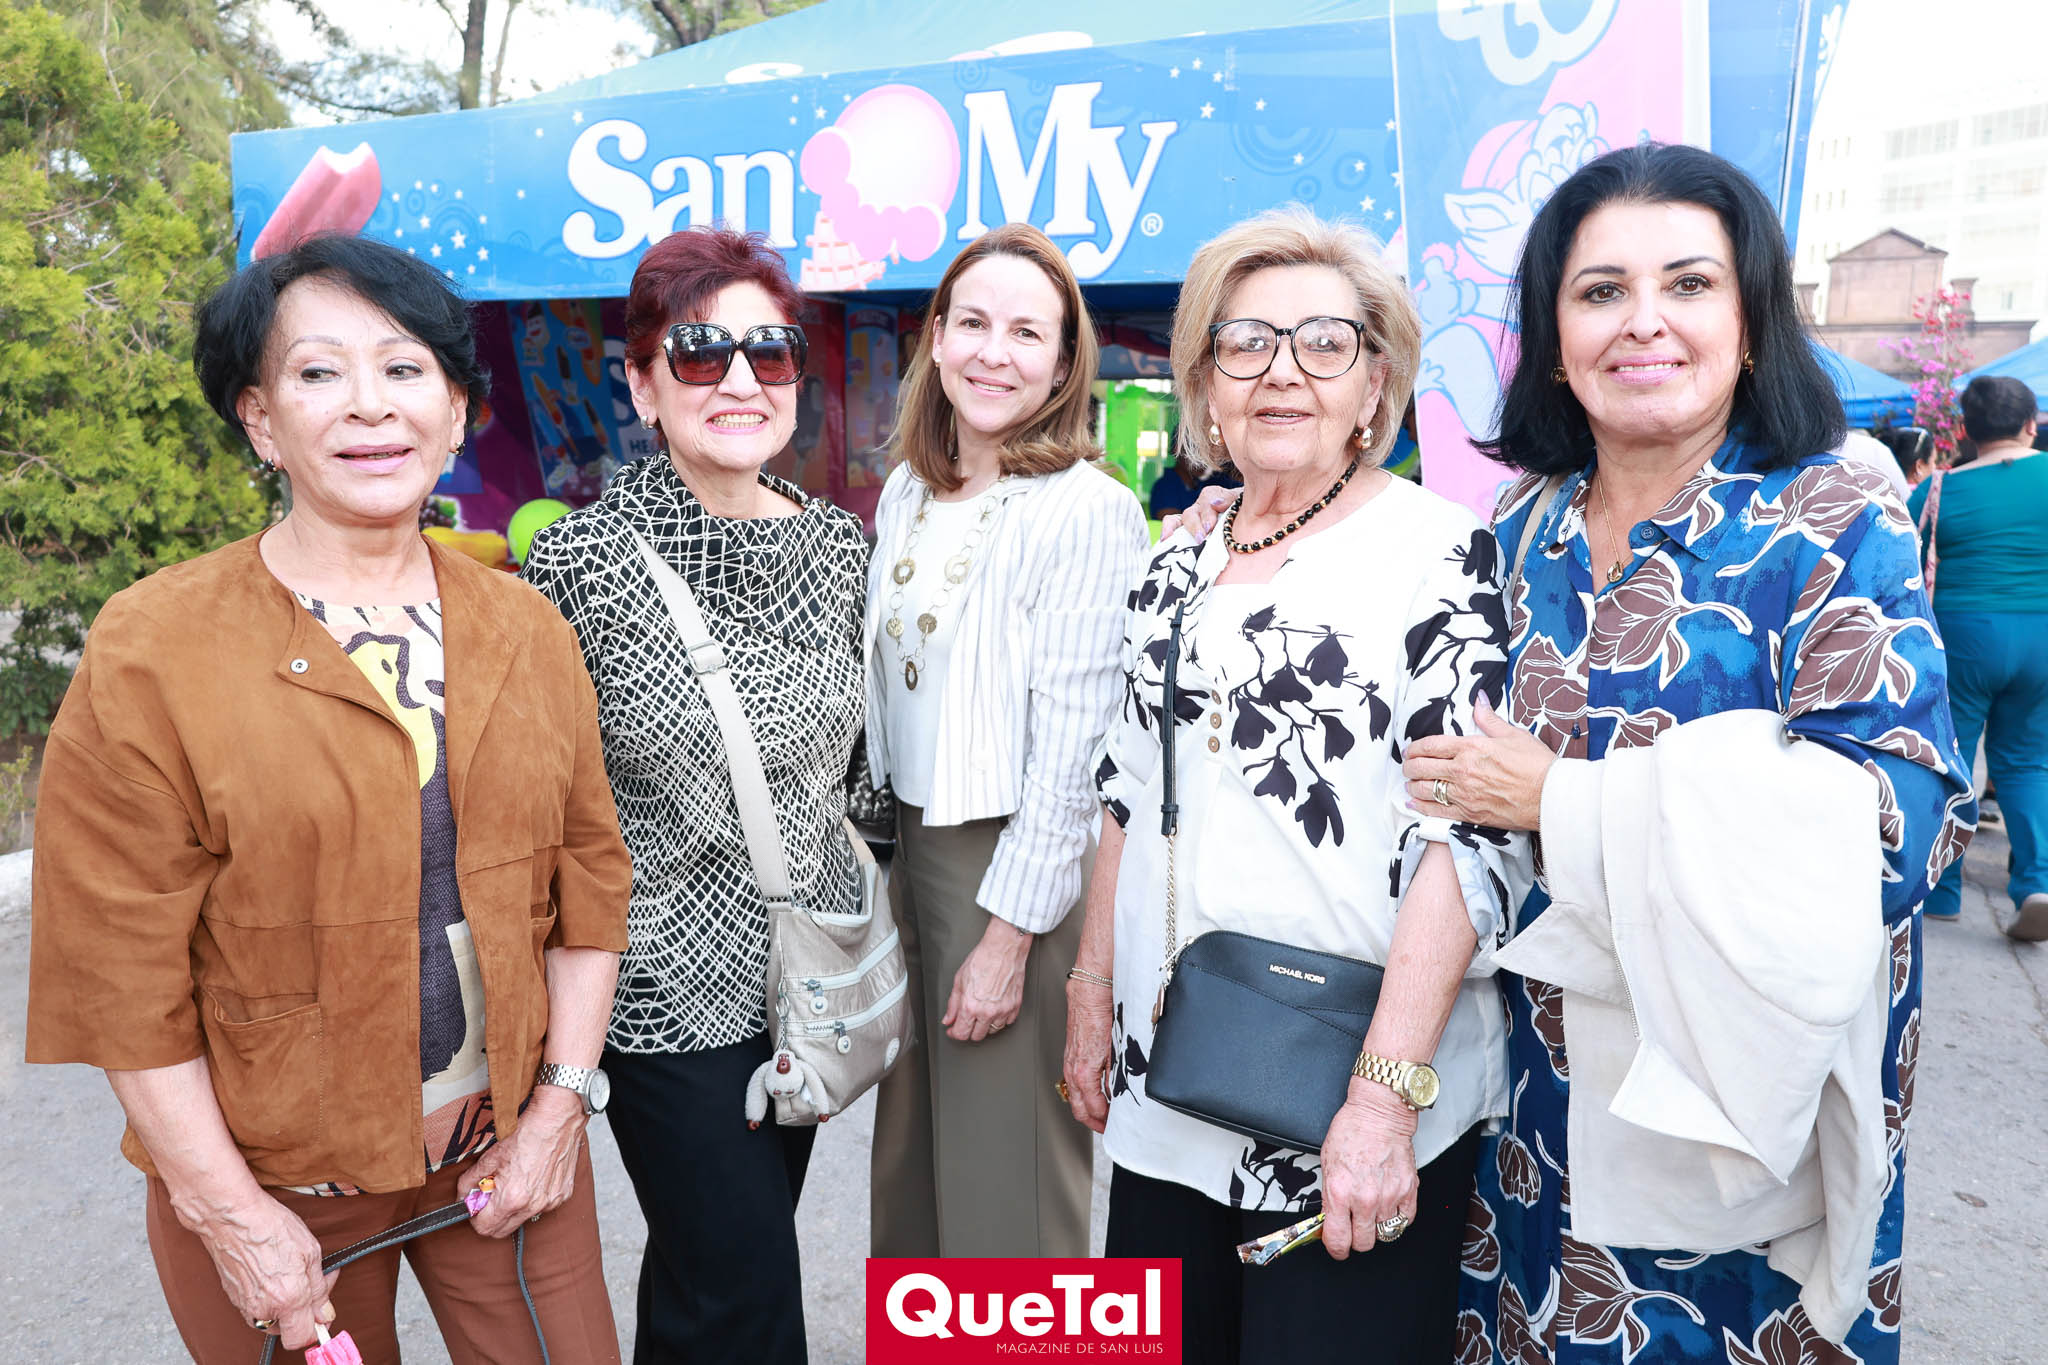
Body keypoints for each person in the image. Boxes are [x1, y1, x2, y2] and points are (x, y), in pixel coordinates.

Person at [1395, 145, 1974, 1362]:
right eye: (1599, 290)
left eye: (1688, 284)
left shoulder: (1828, 515)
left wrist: (1565, 801)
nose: (1642, 321)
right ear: (1552, 339)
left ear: (1749, 321)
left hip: (1732, 1101)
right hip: (1538, 1099)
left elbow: (1895, 830)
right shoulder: (1525, 523)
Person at [25, 234, 631, 1363]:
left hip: (503, 1153)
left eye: (405, 369)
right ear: (261, 419)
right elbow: (118, 972)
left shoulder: (526, 627)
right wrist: (226, 1211)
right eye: (319, 372)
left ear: (457, 412)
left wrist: (560, 1109)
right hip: (271, 1186)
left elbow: (591, 878)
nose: (370, 405)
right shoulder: (153, 646)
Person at [1064, 206, 1531, 1365]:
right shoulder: (1172, 562)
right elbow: (1125, 792)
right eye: (1245, 343)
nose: (1281, 372)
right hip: (1167, 1082)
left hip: (1342, 1095)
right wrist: (1087, 990)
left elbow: (1462, 839)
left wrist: (1380, 1099)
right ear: (1203, 385)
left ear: (1374, 385)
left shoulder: (1441, 554)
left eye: (1324, 343)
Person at [520, 226, 867, 1363]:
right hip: (663, 996)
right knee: (745, 1294)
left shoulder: (838, 549)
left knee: (702, 1283)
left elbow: (855, 776)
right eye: (699, 352)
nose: (738, 380)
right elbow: (541, 808)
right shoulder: (583, 564)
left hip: (804, 981)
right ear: (642, 384)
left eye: (769, 353)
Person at [866, 222, 1147, 1259]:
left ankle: (1037, 1339)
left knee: (1008, 1199)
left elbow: (1074, 757)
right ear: (936, 338)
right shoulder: (907, 488)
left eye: (1027, 332)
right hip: (910, 853)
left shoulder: (1087, 510)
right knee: (912, 1177)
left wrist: (1009, 937)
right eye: (973, 323)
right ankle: (921, 1339)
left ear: (1065, 363)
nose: (994, 353)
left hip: (1012, 870)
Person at [1909, 375, 2048, 938]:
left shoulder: (1939, 488)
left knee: (1953, 757)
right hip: (2042, 635)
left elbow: (1902, 556)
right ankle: (2036, 882)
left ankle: (1942, 891)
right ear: (2031, 424)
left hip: (1963, 636)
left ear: (1965, 430)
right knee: (2028, 761)